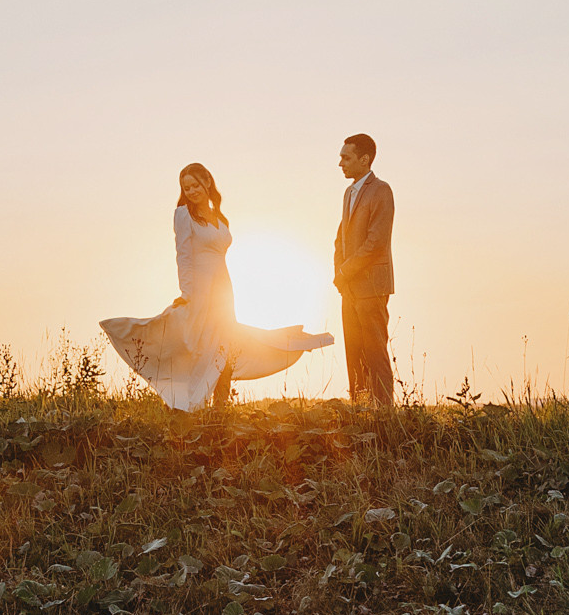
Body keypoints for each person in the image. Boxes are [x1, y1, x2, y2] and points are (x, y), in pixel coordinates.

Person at [101, 163, 333, 410]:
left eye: (195, 185)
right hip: (200, 289)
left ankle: (220, 404)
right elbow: (183, 255)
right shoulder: (183, 214)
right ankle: (189, 401)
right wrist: (187, 292)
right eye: (186, 188)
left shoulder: (220, 218)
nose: (191, 191)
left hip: (223, 289)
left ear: (207, 183)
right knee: (199, 344)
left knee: (226, 342)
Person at [333, 133, 395, 406]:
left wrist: (345, 271)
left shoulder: (381, 190)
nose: (340, 163)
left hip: (371, 286)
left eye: (346, 158)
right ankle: (360, 407)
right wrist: (339, 273)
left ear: (364, 159)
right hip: (349, 288)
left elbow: (376, 242)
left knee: (375, 351)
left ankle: (383, 411)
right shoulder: (348, 193)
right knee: (354, 351)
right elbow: (341, 238)